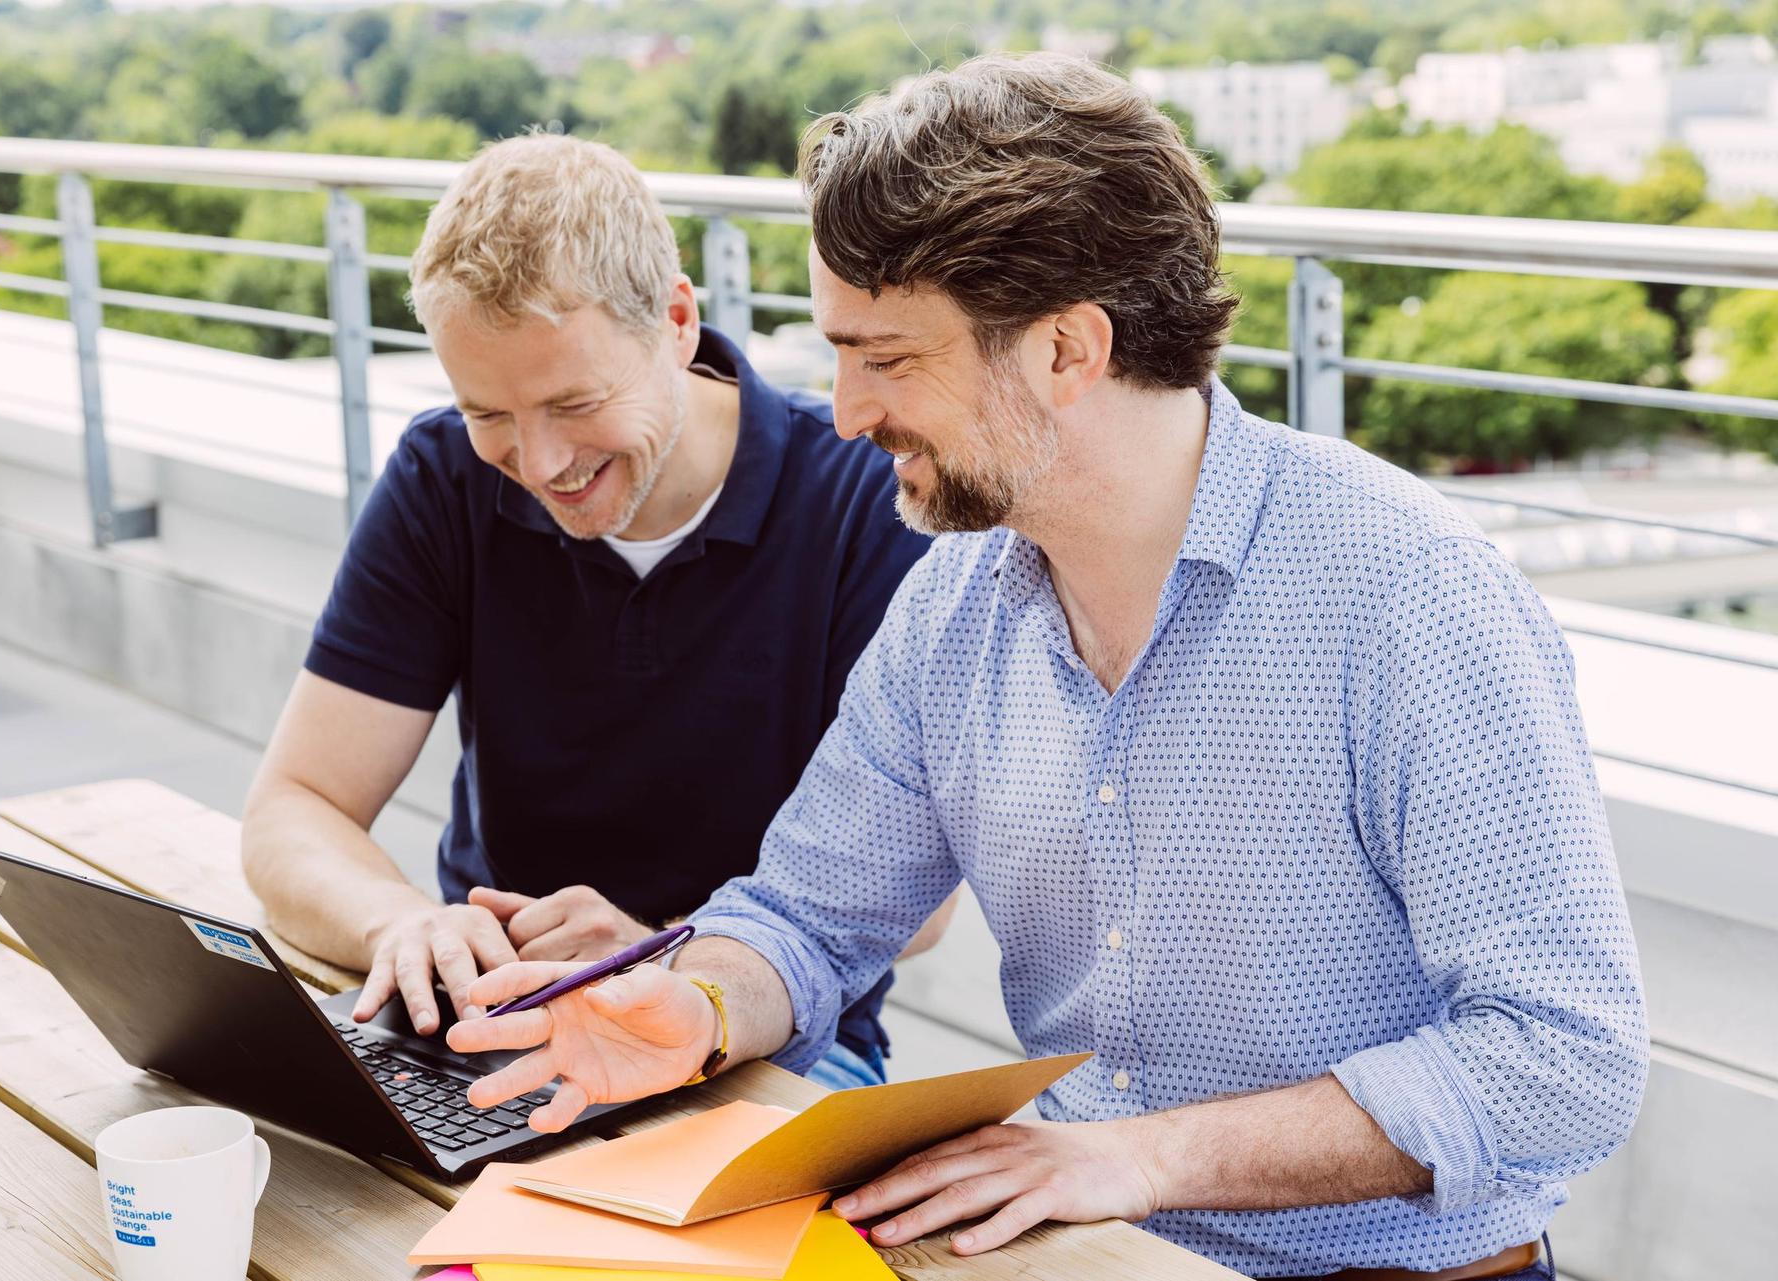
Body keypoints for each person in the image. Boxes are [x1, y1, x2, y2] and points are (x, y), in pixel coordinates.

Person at [443, 55, 1649, 1281]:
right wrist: (695, 1010)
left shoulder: (1406, 594)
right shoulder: (953, 607)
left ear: (1069, 348)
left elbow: (1564, 1059)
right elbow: (807, 919)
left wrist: (1141, 1159)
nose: (847, 414)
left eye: (891, 360)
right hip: (1077, 1253)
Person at [241, 133, 940, 1092]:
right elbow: (295, 807)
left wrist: (668, 957)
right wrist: (399, 922)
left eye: (574, 402)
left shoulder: (863, 499)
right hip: (503, 1024)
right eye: (489, 412)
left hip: (761, 1049)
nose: (536, 465)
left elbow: (919, 905)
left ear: (677, 321)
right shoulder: (444, 474)